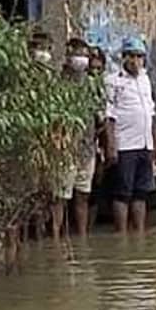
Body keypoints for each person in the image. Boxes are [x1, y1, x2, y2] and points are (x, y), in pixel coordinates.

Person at [105, 36, 156, 233]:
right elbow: (109, 116)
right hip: (125, 144)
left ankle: (139, 233)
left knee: (141, 193)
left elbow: (151, 113)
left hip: (145, 145)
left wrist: (155, 144)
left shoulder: (145, 80)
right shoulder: (113, 81)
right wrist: (111, 147)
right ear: (124, 57)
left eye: (139, 56)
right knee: (122, 193)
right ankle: (121, 234)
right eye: (132, 56)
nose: (136, 61)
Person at [51, 38, 99, 238]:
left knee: (83, 195)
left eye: (84, 55)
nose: (81, 59)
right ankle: (54, 238)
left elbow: (100, 118)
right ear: (68, 56)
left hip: (87, 149)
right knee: (59, 197)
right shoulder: (58, 84)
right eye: (77, 54)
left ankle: (82, 239)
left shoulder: (91, 85)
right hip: (64, 150)